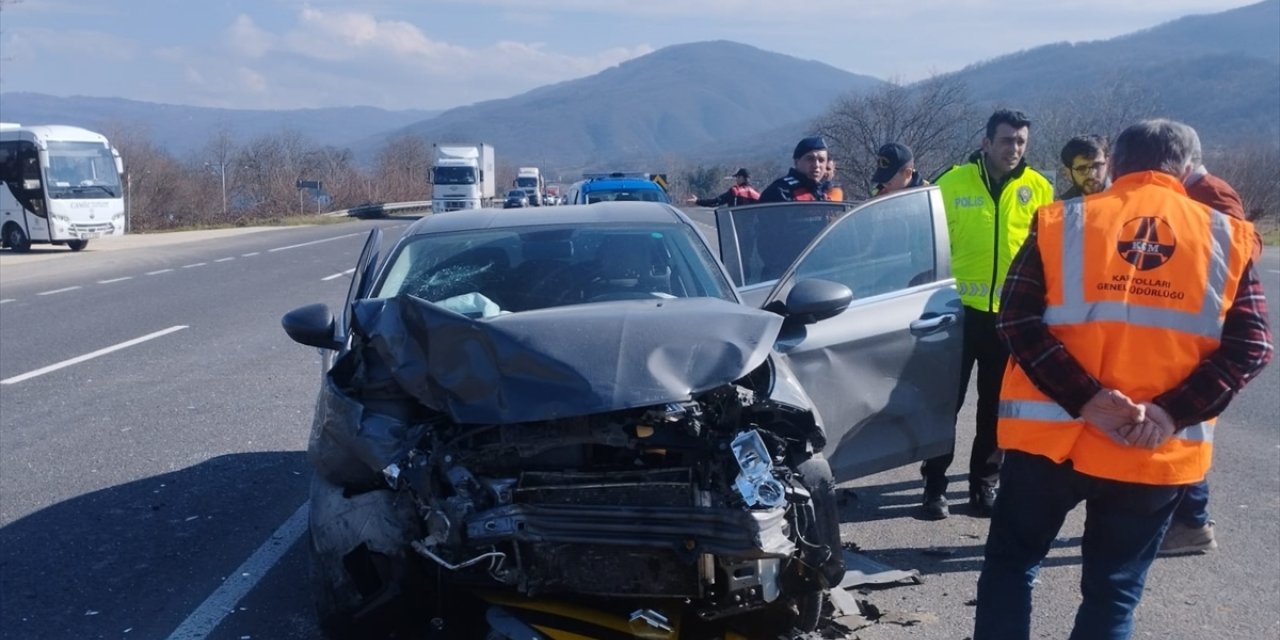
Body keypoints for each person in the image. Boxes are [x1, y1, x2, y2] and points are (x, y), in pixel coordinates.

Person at [973, 119, 1272, 640]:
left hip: (1050, 442)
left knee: (1011, 567)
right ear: (1184, 169)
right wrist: (1169, 412)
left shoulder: (1062, 222)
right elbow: (1253, 346)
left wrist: (1084, 399)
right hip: (1152, 450)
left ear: (1116, 165)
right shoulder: (1227, 237)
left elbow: (1015, 321)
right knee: (1112, 592)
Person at [923, 110, 1055, 519]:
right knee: (945, 405)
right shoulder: (951, 182)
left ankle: (983, 486)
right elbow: (925, 244)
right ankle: (934, 486)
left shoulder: (1040, 189)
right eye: (1006, 140)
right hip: (956, 315)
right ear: (986, 142)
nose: (1013, 148)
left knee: (995, 408)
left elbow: (1047, 255)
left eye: (1020, 142)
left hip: (1009, 318)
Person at [1158, 127, 1263, 557]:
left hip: (1205, 333)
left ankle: (1193, 522)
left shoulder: (1210, 191)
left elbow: (1244, 249)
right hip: (1184, 326)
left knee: (1184, 430)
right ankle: (1184, 519)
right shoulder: (1191, 189)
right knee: (1179, 431)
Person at [753, 136, 832, 280]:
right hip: (785, 277)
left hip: (819, 272)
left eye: (821, 160)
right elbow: (768, 244)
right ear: (797, 162)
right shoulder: (780, 191)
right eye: (810, 159)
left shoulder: (824, 193)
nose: (816, 165)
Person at [685, 167, 760, 207]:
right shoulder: (757, 195)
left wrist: (698, 201)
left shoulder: (735, 192)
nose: (736, 180)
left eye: (737, 177)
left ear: (741, 178)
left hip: (736, 228)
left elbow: (716, 202)